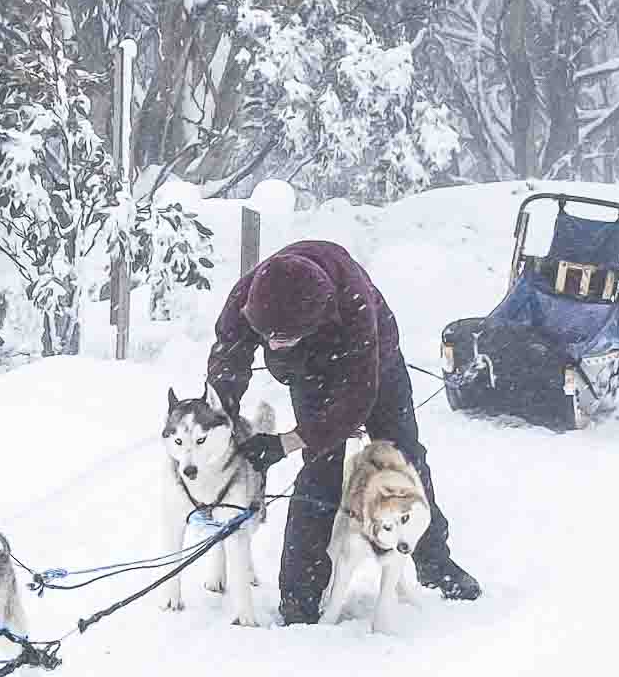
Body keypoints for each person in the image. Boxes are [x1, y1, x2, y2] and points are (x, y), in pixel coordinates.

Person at [205, 237, 482, 625]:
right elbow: (228, 361)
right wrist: (221, 420)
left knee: (404, 459)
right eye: (268, 337)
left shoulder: (353, 304)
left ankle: (434, 560)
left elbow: (356, 401)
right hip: (308, 369)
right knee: (321, 470)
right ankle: (299, 595)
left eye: (282, 338)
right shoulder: (248, 299)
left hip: (374, 365)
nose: (272, 345)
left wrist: (286, 442)